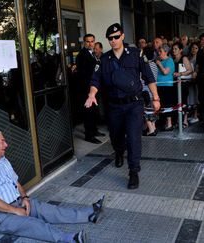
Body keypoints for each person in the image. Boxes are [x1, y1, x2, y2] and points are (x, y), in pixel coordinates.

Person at [0, 130, 105, 243]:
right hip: (0, 216)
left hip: (18, 203)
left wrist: (25, 198)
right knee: (32, 224)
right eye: (2, 142)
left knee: (51, 210)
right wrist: (15, 211)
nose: (6, 144)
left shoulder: (3, 161)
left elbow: (15, 182)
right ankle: (69, 239)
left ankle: (89, 214)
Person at [84, 23, 160, 189]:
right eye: (110, 38)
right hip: (114, 106)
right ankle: (119, 151)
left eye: (116, 37)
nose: (113, 40)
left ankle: (133, 172)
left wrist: (156, 97)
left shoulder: (136, 54)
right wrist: (91, 94)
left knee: (133, 138)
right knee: (116, 135)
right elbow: (95, 80)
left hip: (134, 104)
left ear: (123, 36)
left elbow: (148, 77)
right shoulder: (103, 59)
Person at [76, 34, 104, 144]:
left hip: (93, 87)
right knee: (88, 112)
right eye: (88, 41)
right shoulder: (81, 55)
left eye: (92, 41)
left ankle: (94, 130)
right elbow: (83, 74)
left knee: (94, 111)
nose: (90, 43)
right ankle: (89, 135)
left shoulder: (92, 53)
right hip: (86, 88)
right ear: (84, 42)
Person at [172, 42, 193, 128]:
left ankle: (185, 120)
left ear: (180, 50)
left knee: (183, 101)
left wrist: (180, 74)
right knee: (176, 101)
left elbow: (190, 70)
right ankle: (178, 120)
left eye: (176, 49)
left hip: (183, 83)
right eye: (173, 49)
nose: (174, 50)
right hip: (175, 83)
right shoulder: (173, 59)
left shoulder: (184, 58)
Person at [156, 46, 175, 130]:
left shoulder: (169, 60)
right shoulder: (161, 61)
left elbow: (165, 72)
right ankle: (163, 123)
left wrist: (159, 64)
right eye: (158, 51)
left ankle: (169, 124)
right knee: (161, 105)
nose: (159, 53)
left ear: (166, 52)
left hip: (167, 85)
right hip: (159, 85)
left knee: (167, 104)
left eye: (160, 51)